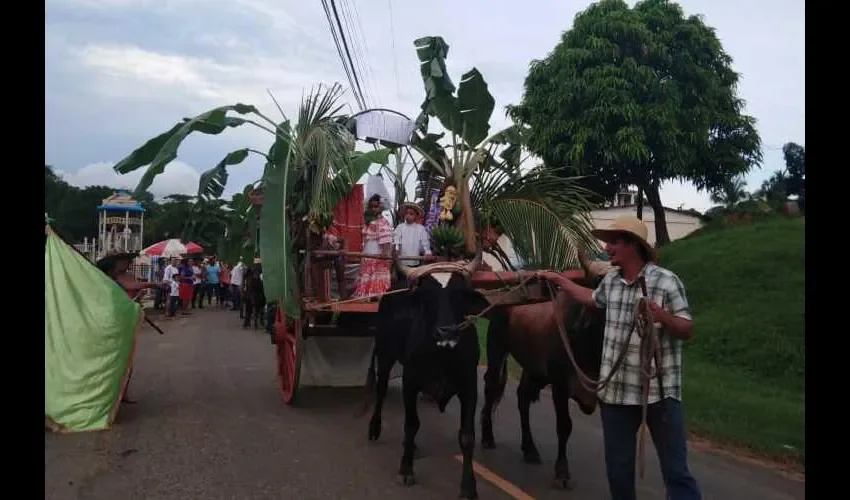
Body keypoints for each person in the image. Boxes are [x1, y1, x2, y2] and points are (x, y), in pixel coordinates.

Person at [540, 216, 701, 500]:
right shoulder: (612, 281)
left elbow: (687, 329)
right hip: (616, 395)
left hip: (659, 395)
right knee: (618, 471)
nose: (607, 247)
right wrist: (560, 281)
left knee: (676, 472)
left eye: (613, 242)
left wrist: (661, 316)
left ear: (632, 245)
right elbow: (592, 298)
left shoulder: (666, 281)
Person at [95, 250, 160, 404]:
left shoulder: (125, 276)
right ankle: (108, 396)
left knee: (126, 360)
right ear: (114, 263)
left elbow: (131, 291)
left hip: (124, 322)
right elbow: (130, 286)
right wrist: (153, 284)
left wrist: (138, 298)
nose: (128, 263)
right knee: (111, 361)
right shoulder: (102, 277)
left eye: (128, 260)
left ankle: (122, 394)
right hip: (107, 322)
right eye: (124, 260)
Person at [353, 194, 393, 299]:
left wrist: (384, 251)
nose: (374, 209)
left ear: (382, 207)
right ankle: (366, 294)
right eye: (372, 207)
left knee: (377, 271)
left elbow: (386, 238)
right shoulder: (369, 221)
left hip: (378, 249)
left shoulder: (383, 222)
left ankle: (377, 294)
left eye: (376, 207)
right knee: (367, 271)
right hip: (368, 248)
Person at [393, 202, 432, 286]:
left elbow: (425, 243)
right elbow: (396, 240)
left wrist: (427, 252)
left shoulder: (420, 229)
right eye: (406, 213)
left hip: (415, 262)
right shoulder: (400, 227)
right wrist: (396, 250)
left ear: (416, 216)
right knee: (402, 284)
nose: (408, 216)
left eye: (411, 214)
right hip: (402, 262)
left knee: (414, 283)